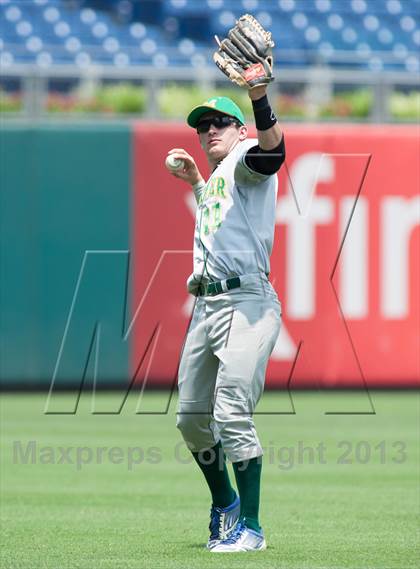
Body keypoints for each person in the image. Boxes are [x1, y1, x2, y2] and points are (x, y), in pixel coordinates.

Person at [167, 84, 285, 552]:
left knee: (232, 412)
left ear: (240, 132)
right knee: (191, 420)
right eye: (202, 125)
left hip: (247, 302)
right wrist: (197, 180)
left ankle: (251, 530)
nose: (209, 129)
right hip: (208, 307)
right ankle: (226, 503)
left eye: (219, 123)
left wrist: (258, 97)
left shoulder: (246, 157)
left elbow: (273, 156)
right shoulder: (219, 175)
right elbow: (218, 215)